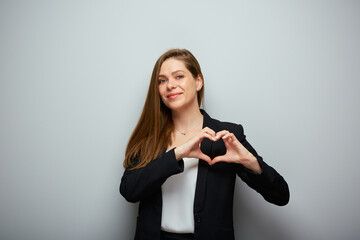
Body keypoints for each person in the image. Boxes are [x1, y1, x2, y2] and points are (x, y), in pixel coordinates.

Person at [120, 49, 289, 240]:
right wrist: (176, 153)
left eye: (179, 76)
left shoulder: (226, 136)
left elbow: (281, 196)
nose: (170, 85)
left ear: (198, 81)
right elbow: (129, 190)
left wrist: (251, 163)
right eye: (162, 80)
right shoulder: (149, 138)